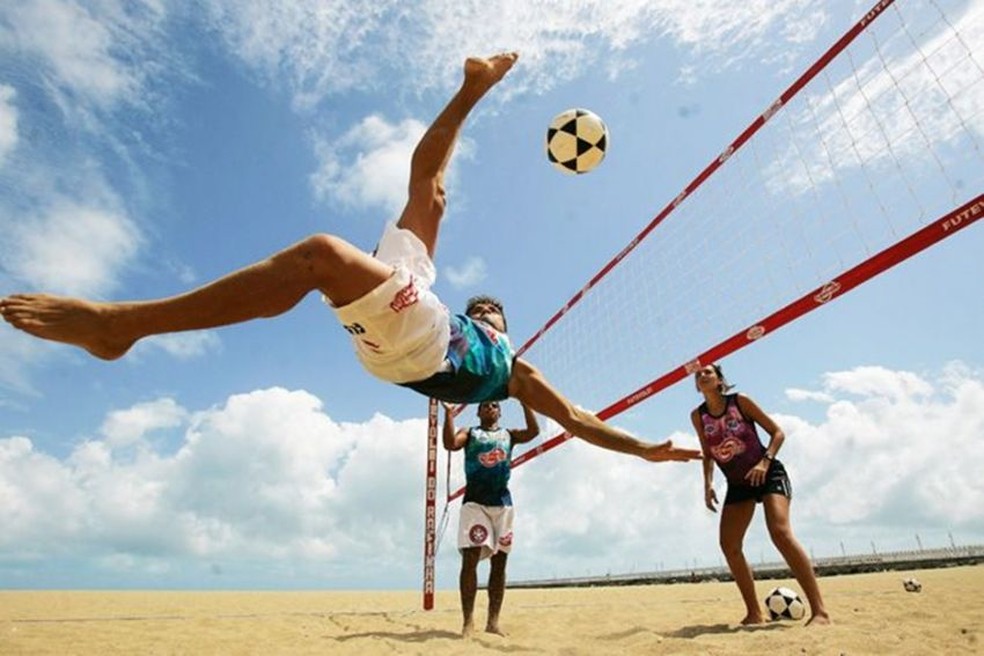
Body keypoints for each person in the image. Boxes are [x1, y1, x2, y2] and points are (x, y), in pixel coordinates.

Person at [0, 52, 700, 465]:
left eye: (495, 311)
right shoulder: (428, 282)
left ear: (503, 330)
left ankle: (122, 326)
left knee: (320, 256)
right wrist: (474, 89)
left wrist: (643, 451)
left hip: (425, 348)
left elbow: (577, 420)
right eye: (482, 305)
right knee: (430, 195)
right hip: (409, 318)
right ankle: (473, 87)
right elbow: (427, 182)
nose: (488, 308)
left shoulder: (514, 372)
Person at [691, 363, 831, 626]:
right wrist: (707, 484)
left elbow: (778, 433)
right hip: (738, 483)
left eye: (708, 372)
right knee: (729, 546)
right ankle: (755, 613)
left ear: (720, 380)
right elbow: (708, 453)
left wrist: (765, 461)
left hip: (767, 472)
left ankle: (820, 612)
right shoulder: (698, 416)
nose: (702, 376)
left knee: (780, 532)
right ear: (697, 386)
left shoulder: (740, 401)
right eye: (698, 375)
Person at [442, 399, 539, 636]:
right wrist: (449, 416)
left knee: (500, 563)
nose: (490, 407)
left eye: (494, 405)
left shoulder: (509, 435)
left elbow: (534, 432)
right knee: (470, 559)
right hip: (475, 503)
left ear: (500, 412)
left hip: (502, 504)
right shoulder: (470, 433)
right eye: (485, 405)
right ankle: (468, 622)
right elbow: (450, 443)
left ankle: (493, 622)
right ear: (478, 412)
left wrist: (527, 403)